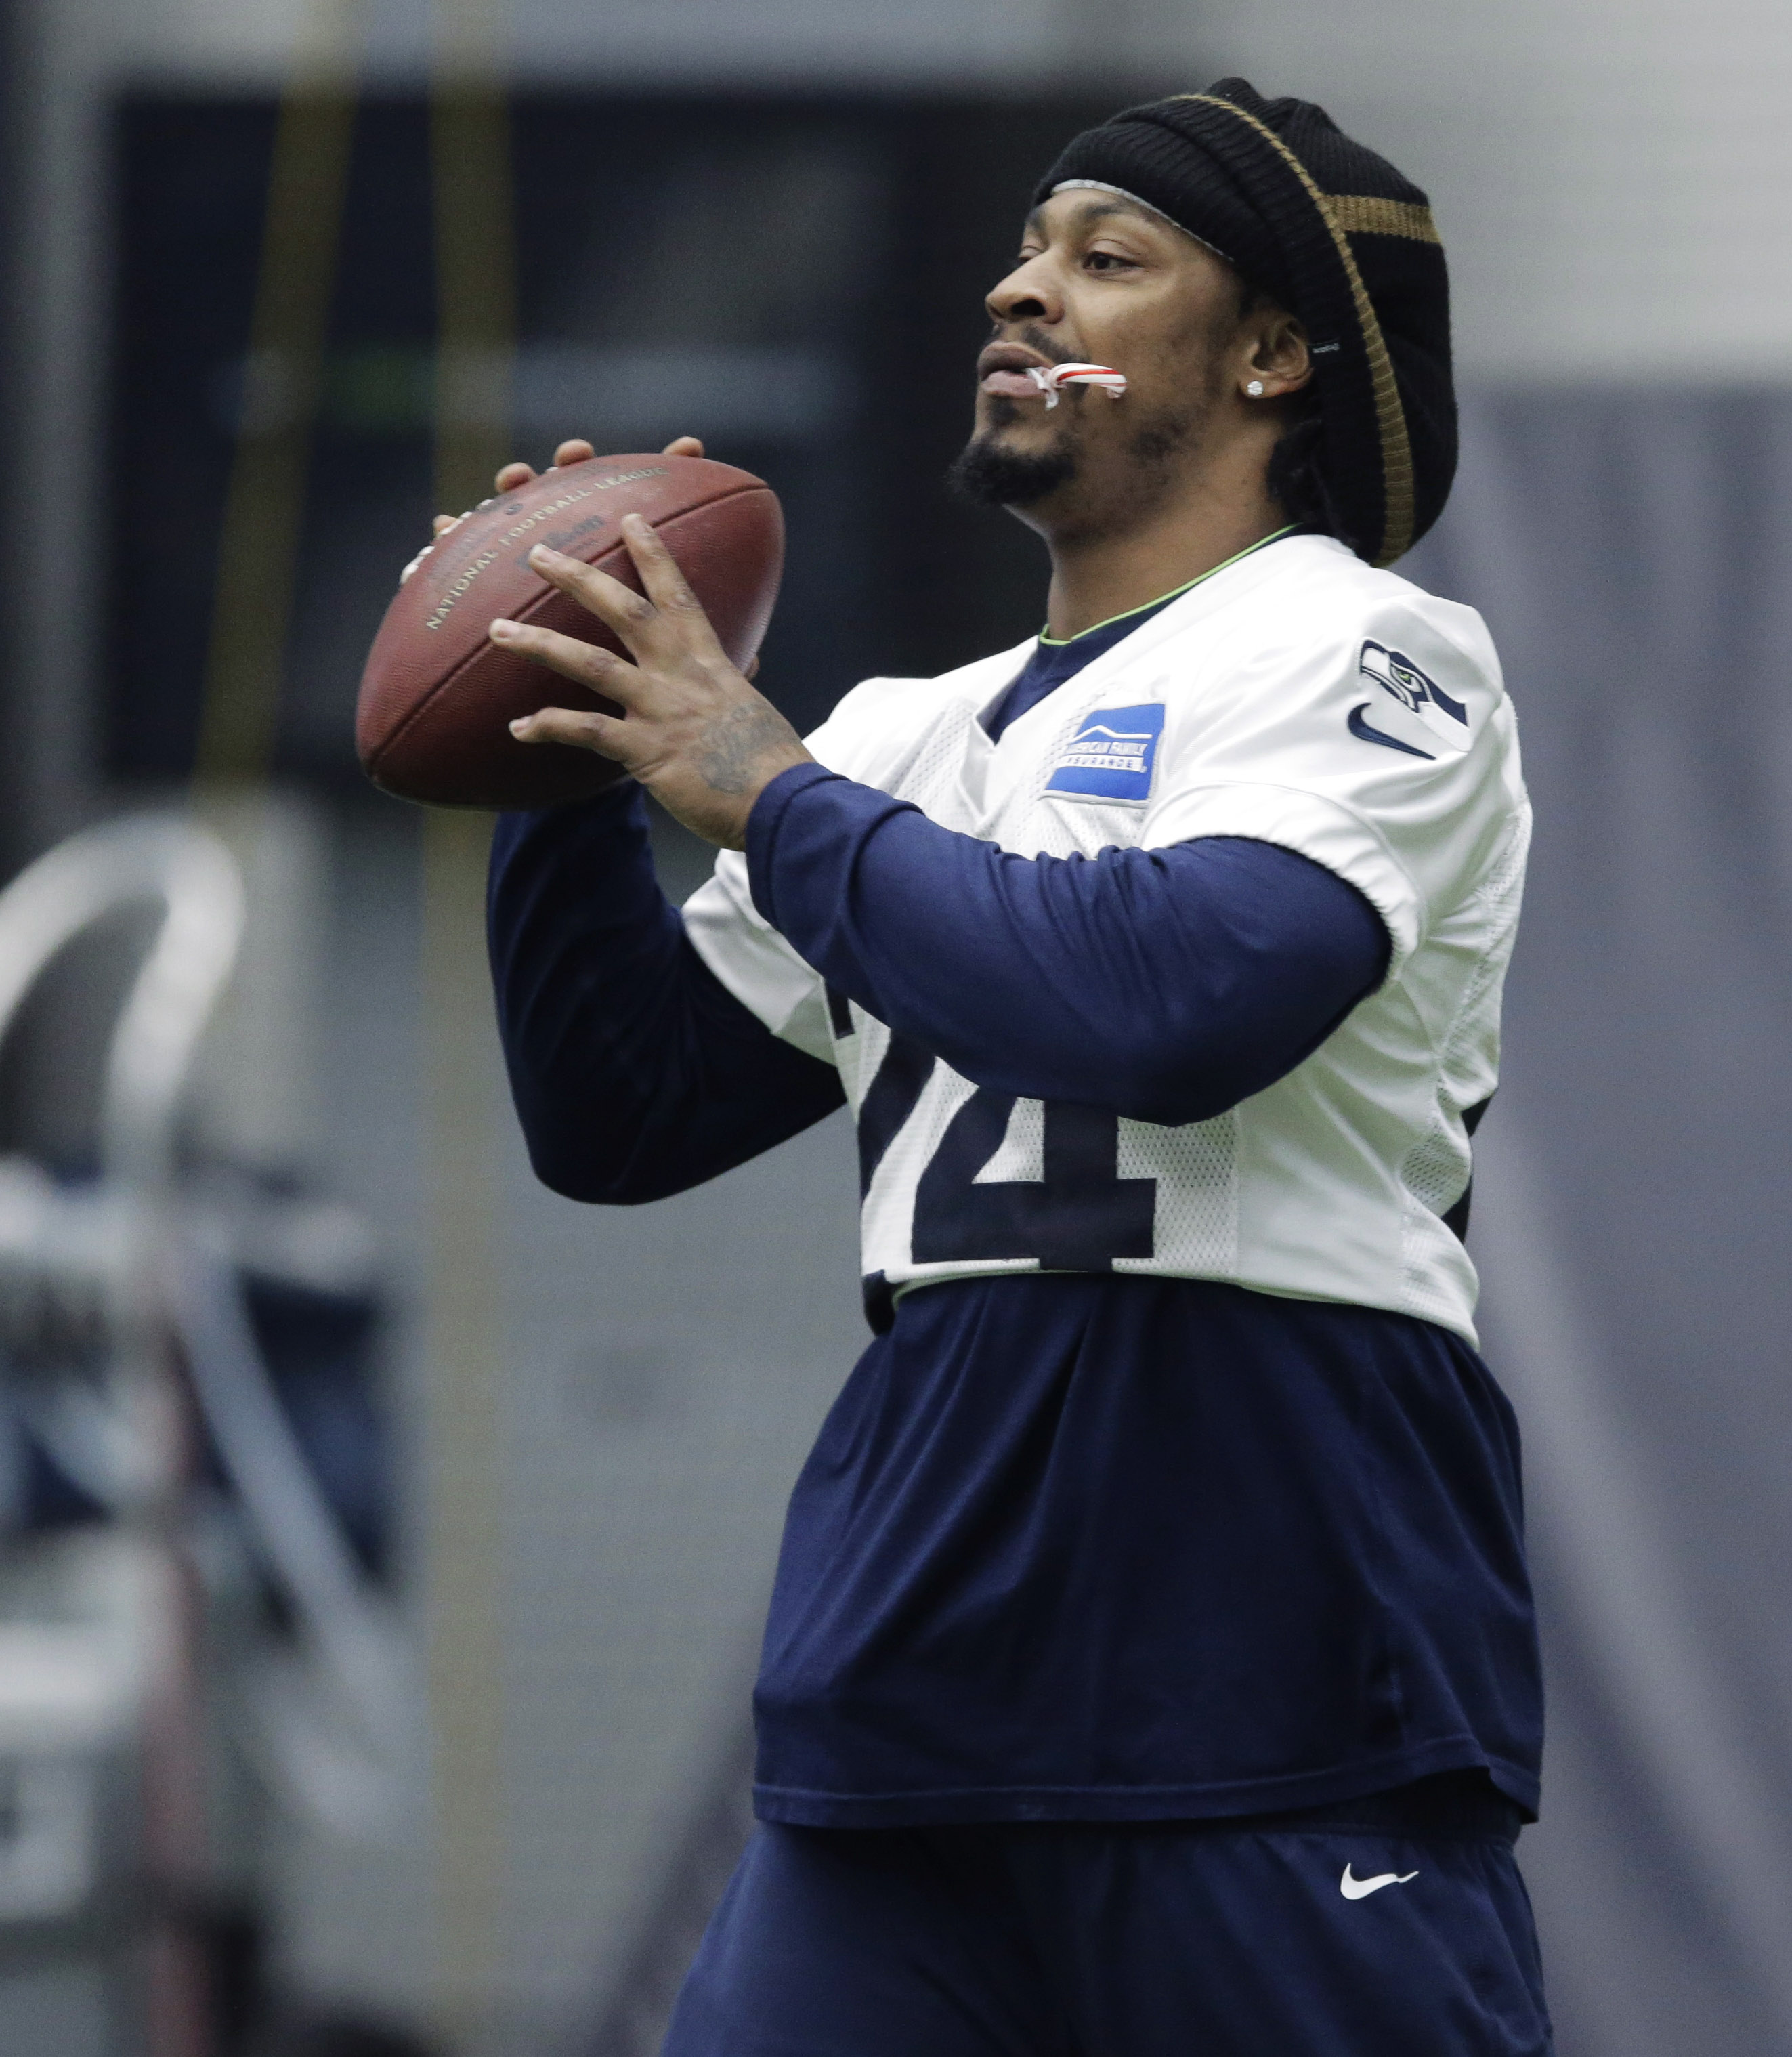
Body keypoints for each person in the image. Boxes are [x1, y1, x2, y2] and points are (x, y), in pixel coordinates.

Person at [476, 80, 1550, 2057]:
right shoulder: (897, 730)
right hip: (920, 1627)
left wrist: (770, 796)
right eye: (1029, 246)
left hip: (1268, 1601)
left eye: (1106, 258)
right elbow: (621, 1114)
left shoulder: (1368, 650)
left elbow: (1179, 1009)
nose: (1018, 286)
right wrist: (554, 755)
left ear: (1277, 354)